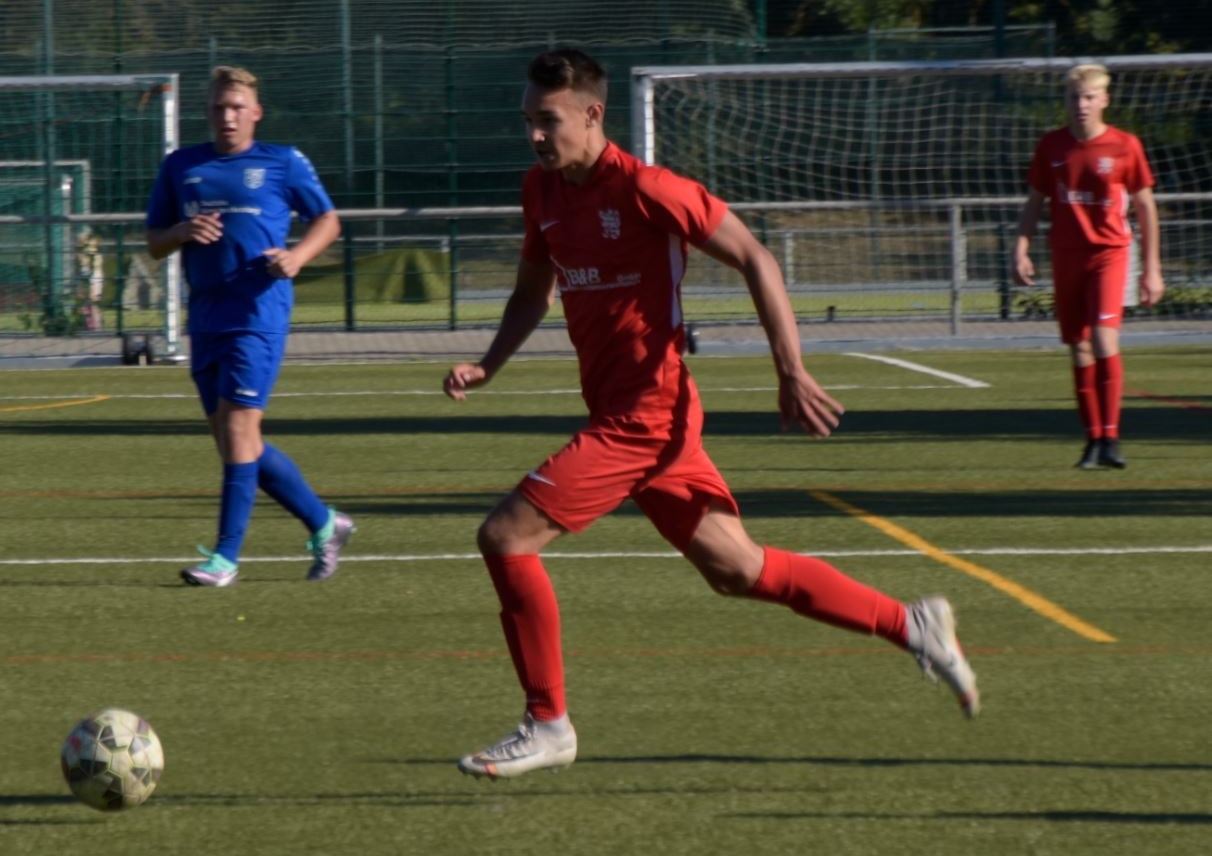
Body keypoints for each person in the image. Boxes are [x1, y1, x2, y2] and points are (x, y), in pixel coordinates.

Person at [442, 48, 980, 780]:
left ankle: (548, 723)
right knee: (739, 569)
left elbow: (757, 257)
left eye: (549, 120)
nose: (535, 136)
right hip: (627, 413)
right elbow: (532, 293)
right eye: (528, 121)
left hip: (648, 413)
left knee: (505, 537)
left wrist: (791, 369)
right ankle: (910, 623)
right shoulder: (541, 191)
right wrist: (489, 362)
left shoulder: (648, 188)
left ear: (593, 113)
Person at [145, 65, 354, 587]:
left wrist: (298, 256)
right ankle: (325, 523)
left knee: (240, 430)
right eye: (218, 106)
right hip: (207, 317)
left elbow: (328, 220)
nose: (228, 116)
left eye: (237, 106)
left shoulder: (282, 161)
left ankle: (225, 558)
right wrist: (182, 229)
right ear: (207, 112)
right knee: (238, 443)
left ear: (256, 112)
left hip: (258, 314)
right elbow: (153, 242)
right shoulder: (181, 166)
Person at [1012, 63, 1164, 470]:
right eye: (1074, 97)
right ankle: (1093, 440)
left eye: (1089, 97)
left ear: (1104, 101)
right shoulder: (1051, 146)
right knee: (1078, 346)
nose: (1080, 105)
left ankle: (1112, 438)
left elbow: (1146, 206)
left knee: (1102, 338)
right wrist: (1021, 248)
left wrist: (1152, 268)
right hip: (1066, 254)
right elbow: (1035, 202)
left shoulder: (1124, 146)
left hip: (1110, 254)